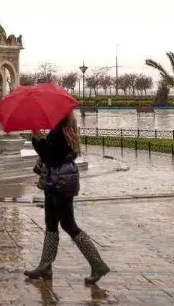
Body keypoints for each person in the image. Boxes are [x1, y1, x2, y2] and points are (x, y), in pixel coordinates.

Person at [24, 111, 110, 284]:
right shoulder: (64, 130)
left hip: (60, 183)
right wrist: (40, 138)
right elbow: (50, 154)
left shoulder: (60, 133)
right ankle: (45, 265)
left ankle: (97, 263)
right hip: (56, 181)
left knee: (68, 224)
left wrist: (37, 138)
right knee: (51, 223)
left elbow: (49, 157)